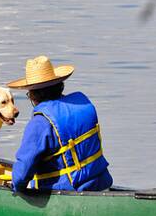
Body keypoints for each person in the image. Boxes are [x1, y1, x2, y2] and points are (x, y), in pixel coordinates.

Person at [7, 55, 113, 192]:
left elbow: (22, 175)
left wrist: (15, 186)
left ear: (33, 95)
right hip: (102, 184)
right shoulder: (82, 103)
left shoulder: (40, 122)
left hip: (70, 192)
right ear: (60, 85)